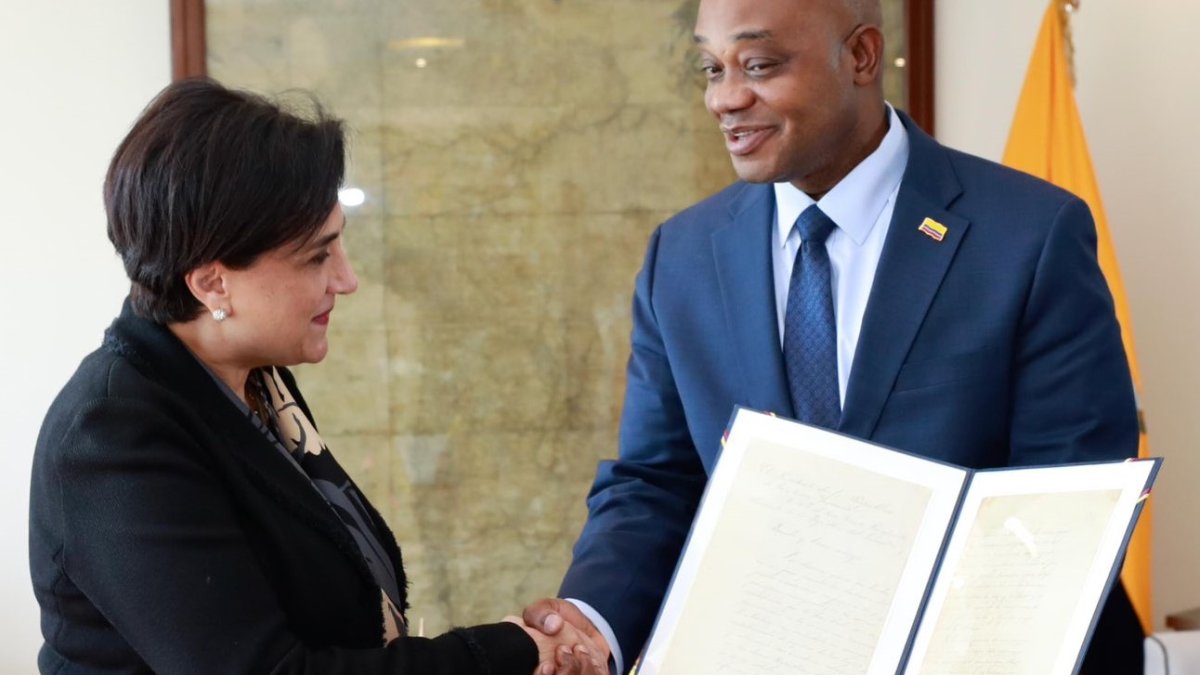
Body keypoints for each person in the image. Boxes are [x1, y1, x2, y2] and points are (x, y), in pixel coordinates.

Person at [523, 0, 1145, 672]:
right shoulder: (683, 256)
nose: (726, 99)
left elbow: (1063, 498)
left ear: (861, 56)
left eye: (759, 65)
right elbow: (657, 482)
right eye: (711, 67)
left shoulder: (1028, 234)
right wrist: (589, 621)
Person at [28, 78, 603, 675]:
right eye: (317, 256)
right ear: (212, 282)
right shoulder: (112, 437)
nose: (347, 279)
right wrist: (503, 651)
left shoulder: (250, 379)